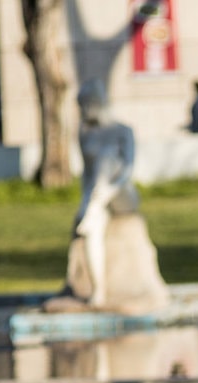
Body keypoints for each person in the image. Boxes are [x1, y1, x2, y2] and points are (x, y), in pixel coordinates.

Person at [74, 79, 140, 307]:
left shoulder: (123, 131)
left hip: (122, 193)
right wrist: (88, 201)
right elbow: (86, 174)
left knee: (107, 156)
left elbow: (127, 171)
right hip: (97, 198)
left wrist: (97, 199)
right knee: (92, 232)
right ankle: (98, 291)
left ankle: (91, 211)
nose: (81, 111)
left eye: (83, 105)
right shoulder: (85, 133)